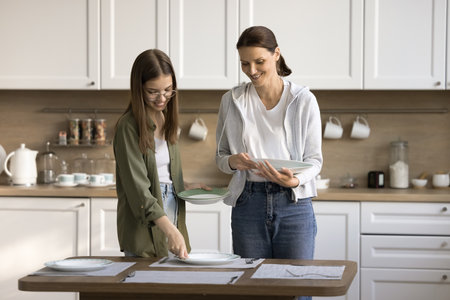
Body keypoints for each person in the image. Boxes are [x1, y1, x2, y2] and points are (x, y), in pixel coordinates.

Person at [216, 26, 322, 265]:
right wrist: (233, 162)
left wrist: (294, 181)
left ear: (276, 54)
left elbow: (315, 161)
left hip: (293, 202)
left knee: (296, 284)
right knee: (251, 285)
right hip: (247, 203)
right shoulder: (231, 100)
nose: (251, 71)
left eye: (259, 61)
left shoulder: (303, 100)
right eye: (245, 63)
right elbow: (221, 157)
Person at [114, 49, 208, 258]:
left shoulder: (165, 119)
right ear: (138, 88)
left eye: (168, 90)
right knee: (148, 284)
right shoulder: (128, 127)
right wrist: (170, 230)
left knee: (174, 284)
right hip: (147, 219)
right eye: (153, 91)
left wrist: (186, 188)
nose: (162, 98)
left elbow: (163, 174)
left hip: (172, 209)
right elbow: (138, 189)